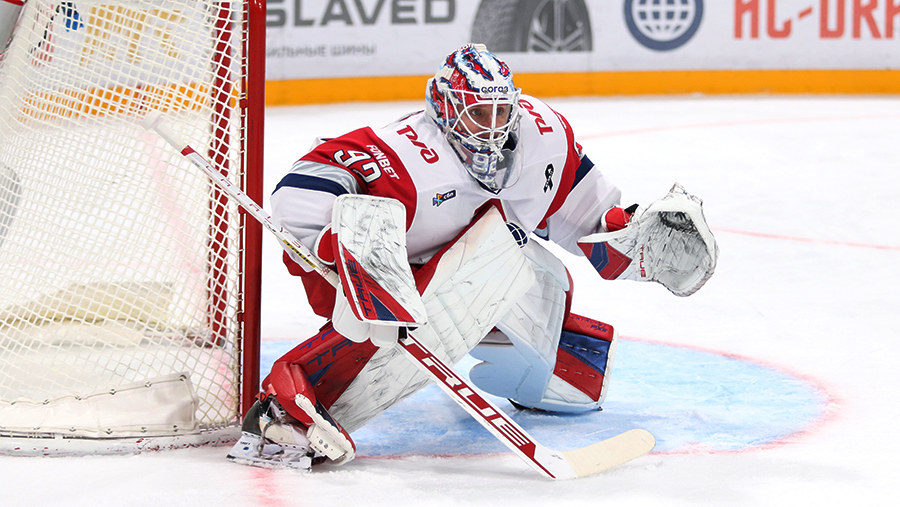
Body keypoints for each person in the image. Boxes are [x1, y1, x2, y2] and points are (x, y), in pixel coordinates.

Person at [226, 43, 716, 471]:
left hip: (483, 268)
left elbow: (583, 209)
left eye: (502, 112)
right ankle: (286, 410)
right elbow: (304, 184)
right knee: (477, 275)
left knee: (546, 291)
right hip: (390, 286)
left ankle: (547, 367)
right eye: (480, 114)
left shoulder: (543, 137)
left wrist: (628, 235)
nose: (494, 127)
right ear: (445, 109)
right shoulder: (406, 156)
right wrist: (336, 238)